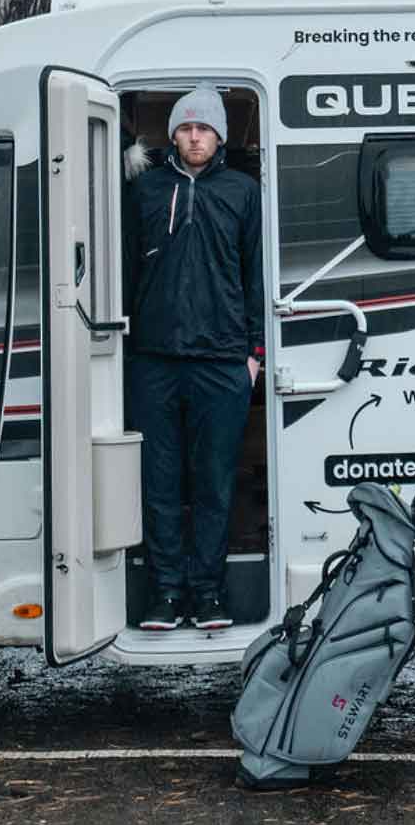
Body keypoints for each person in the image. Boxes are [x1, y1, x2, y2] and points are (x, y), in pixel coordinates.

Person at [123, 85, 264, 631]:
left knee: (213, 484)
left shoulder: (242, 192)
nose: (194, 136)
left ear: (219, 135)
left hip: (223, 361)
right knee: (159, 484)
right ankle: (164, 595)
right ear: (173, 134)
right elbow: (125, 269)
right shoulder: (146, 192)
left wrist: (252, 354)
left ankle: (208, 595)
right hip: (153, 360)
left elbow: (255, 275)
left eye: (204, 128)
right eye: (185, 128)